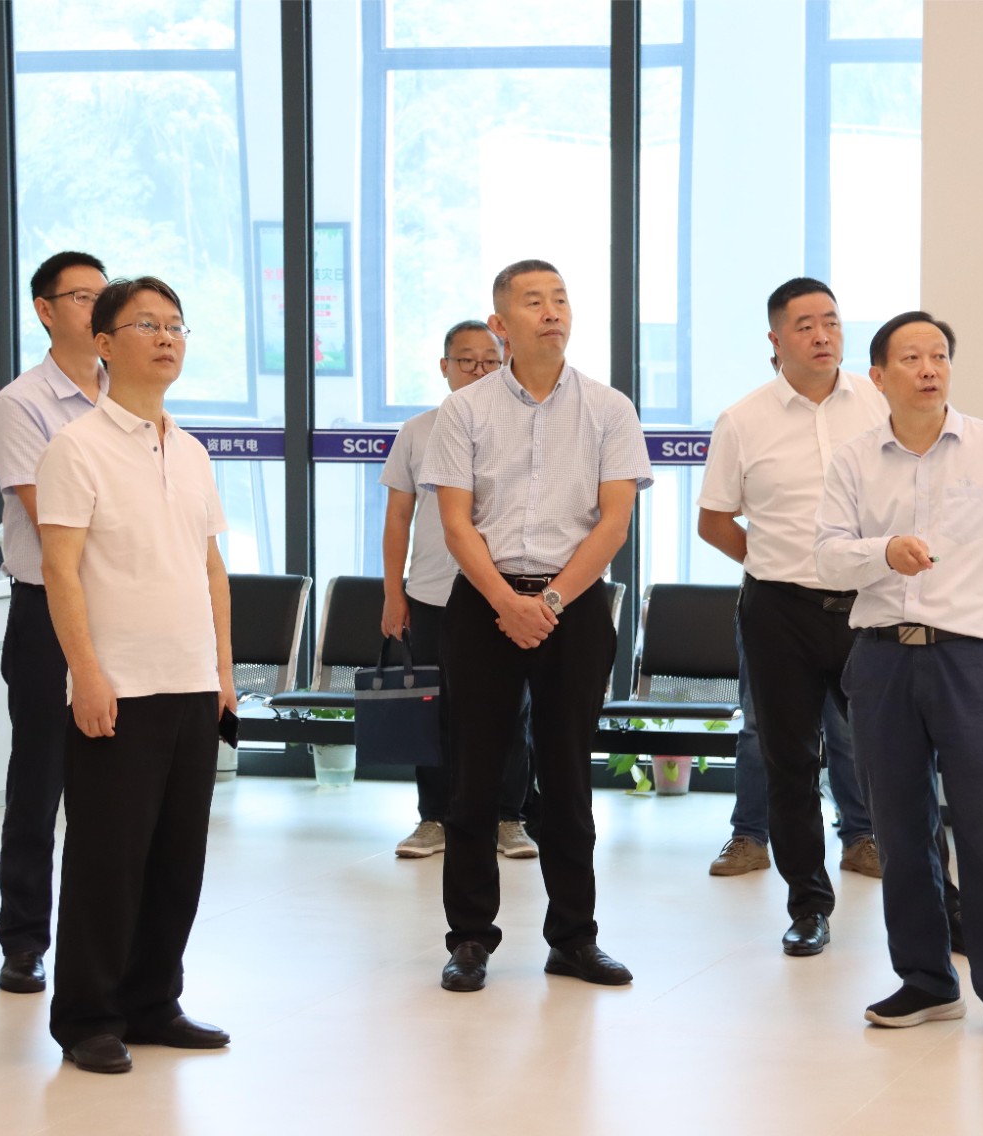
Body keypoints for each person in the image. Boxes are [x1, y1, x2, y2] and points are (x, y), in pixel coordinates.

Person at [815, 311, 983, 1045]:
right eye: (911, 358)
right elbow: (826, 557)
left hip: (971, 659)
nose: (929, 369)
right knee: (899, 828)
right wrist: (882, 553)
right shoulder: (854, 459)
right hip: (882, 659)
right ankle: (925, 980)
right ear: (878, 376)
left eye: (940, 356)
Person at [421, 259, 651, 993]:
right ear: (501, 324)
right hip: (482, 603)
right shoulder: (465, 411)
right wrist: (505, 601)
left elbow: (614, 522)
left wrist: (547, 603)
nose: (551, 311)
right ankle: (469, 939)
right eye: (532, 301)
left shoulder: (609, 408)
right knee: (472, 778)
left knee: (567, 777)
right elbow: (456, 523)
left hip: (573, 606)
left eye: (559, 299)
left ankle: (574, 938)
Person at [37, 277, 235, 1074]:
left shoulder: (190, 450)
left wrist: (222, 672)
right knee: (105, 863)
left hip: (190, 682)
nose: (166, 338)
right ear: (105, 344)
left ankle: (153, 1003)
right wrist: (85, 673)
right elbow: (60, 569)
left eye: (176, 325)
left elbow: (212, 570)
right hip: (117, 687)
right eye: (147, 324)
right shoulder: (75, 447)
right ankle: (88, 1017)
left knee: (177, 860)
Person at [695, 277, 886, 957]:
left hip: (869, 605)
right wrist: (777, 559)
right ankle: (808, 905)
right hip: (780, 610)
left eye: (831, 321)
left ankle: (938, 900)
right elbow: (715, 521)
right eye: (805, 325)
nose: (823, 335)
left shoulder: (878, 400)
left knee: (892, 753)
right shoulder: (743, 419)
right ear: (776, 340)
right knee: (789, 762)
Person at [0, 250, 109, 995]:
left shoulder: (127, 394)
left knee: (114, 787)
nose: (99, 307)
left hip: (121, 608)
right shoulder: (24, 403)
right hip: (45, 610)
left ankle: (107, 945)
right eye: (83, 296)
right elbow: (48, 514)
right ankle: (24, 940)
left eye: (104, 294)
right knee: (39, 781)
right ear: (45, 310)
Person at [380, 320, 537, 860]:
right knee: (433, 709)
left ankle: (508, 817)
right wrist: (393, 593)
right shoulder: (417, 431)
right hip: (431, 593)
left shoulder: (523, 427)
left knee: (510, 709)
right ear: (444, 367)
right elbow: (397, 518)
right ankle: (434, 818)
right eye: (466, 361)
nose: (478, 370)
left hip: (502, 596)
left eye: (490, 361)